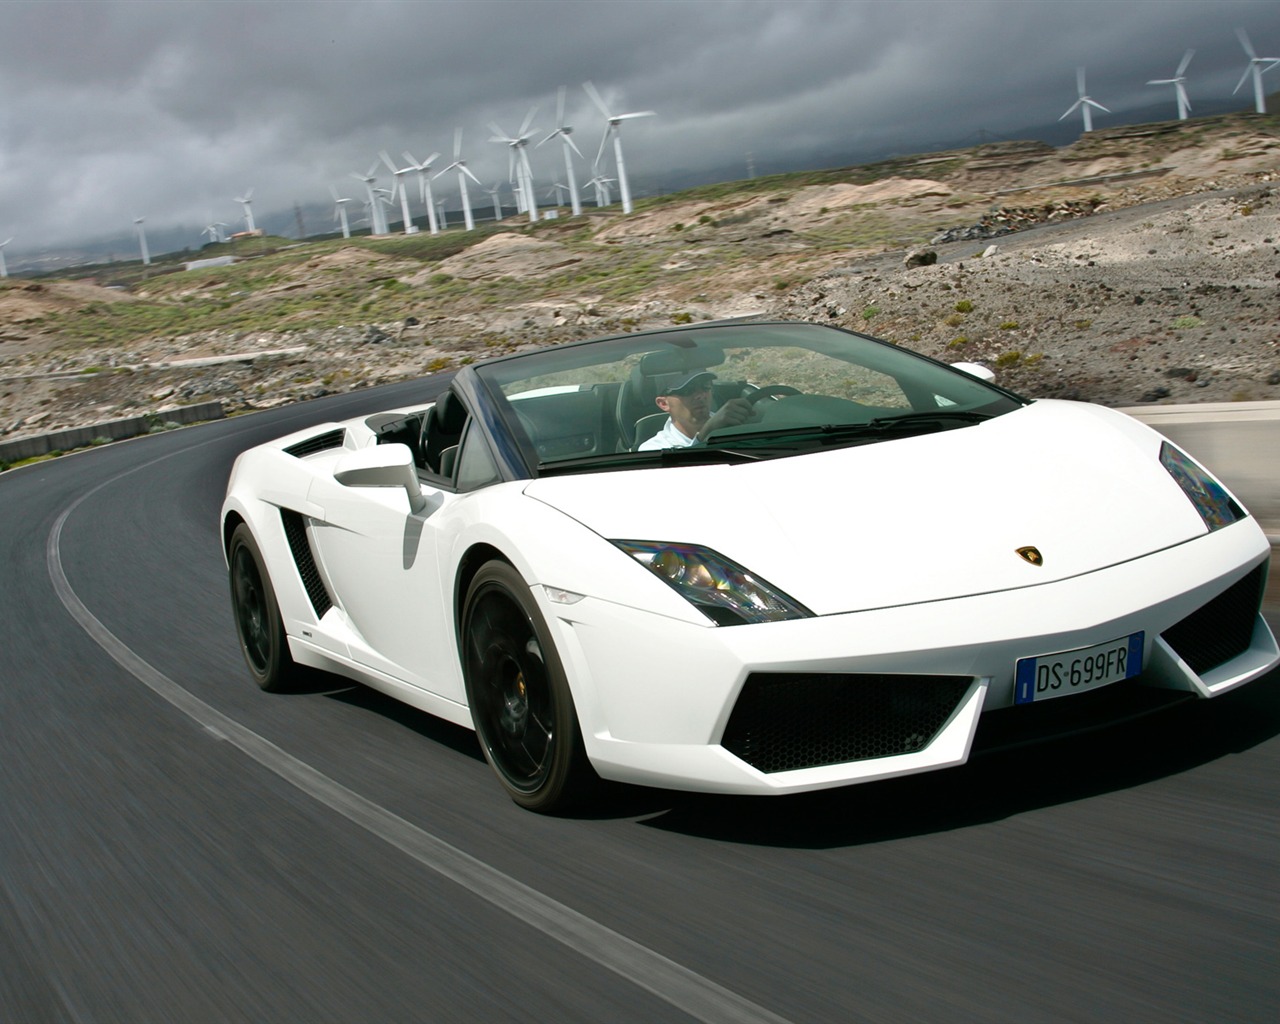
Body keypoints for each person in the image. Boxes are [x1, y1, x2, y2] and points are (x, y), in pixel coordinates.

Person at [637, 370, 756, 450]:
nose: (700, 395)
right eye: (687, 390)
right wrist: (706, 434)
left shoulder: (737, 424)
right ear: (663, 403)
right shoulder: (653, 449)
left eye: (705, 386)